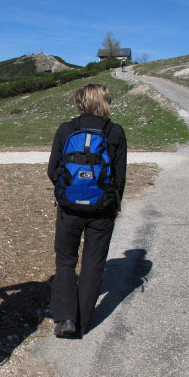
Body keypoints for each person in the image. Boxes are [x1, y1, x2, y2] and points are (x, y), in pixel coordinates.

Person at [47, 83, 127, 338]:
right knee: (93, 263)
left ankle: (65, 319)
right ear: (104, 102)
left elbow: (53, 170)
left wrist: (67, 190)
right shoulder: (115, 132)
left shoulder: (66, 129)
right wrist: (114, 204)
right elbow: (120, 176)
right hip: (102, 209)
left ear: (80, 102)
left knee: (66, 260)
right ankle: (83, 323)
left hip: (69, 207)